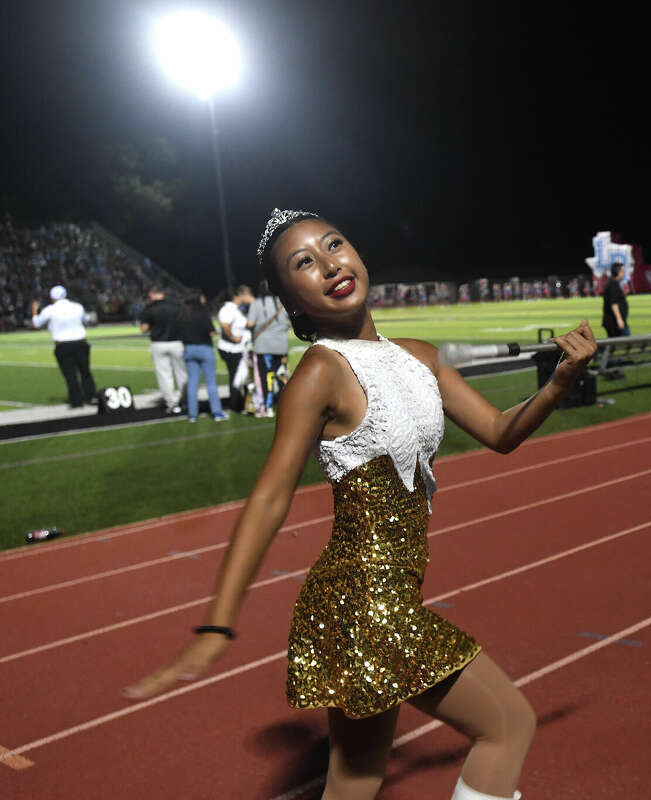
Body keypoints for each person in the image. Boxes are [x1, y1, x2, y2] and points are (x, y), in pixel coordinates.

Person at [125, 209, 597, 800]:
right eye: (304, 263)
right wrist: (217, 624)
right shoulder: (321, 372)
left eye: (334, 245)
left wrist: (558, 383)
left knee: (355, 780)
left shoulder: (419, 357)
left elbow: (500, 432)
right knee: (508, 726)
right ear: (289, 300)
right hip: (364, 604)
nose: (329, 265)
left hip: (375, 601)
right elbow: (271, 498)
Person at [30, 284, 97, 408]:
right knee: (85, 372)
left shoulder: (50, 309)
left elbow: (36, 323)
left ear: (53, 298)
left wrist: (34, 310)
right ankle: (92, 397)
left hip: (63, 346)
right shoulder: (77, 307)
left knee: (70, 375)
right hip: (81, 342)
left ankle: (77, 401)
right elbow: (87, 320)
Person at [177, 291, 227, 423]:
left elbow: (179, 333)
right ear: (198, 299)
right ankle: (217, 413)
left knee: (192, 383)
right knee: (210, 382)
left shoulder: (183, 314)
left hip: (189, 349)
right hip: (205, 349)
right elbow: (211, 332)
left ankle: (193, 415)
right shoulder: (203, 313)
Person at [246, 278, 292, 417]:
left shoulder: (256, 303)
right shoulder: (282, 302)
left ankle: (268, 406)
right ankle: (288, 405)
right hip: (281, 345)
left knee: (267, 377)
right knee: (282, 376)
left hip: (263, 346)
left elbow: (250, 323)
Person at [140, 286, 186, 415]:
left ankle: (172, 404)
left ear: (151, 294)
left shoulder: (149, 308)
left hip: (159, 343)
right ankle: (186, 401)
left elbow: (144, 329)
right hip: (177, 342)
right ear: (163, 293)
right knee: (182, 374)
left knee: (164, 376)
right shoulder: (176, 307)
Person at [217, 285, 255, 414]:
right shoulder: (229, 308)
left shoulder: (236, 309)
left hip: (239, 348)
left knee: (243, 377)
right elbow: (225, 324)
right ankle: (236, 405)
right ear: (241, 294)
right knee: (236, 376)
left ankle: (243, 403)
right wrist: (233, 337)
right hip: (232, 349)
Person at [601, 262, 630, 338]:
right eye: (622, 271)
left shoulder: (613, 283)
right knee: (626, 343)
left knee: (617, 346)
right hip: (614, 322)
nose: (624, 273)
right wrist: (619, 319)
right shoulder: (613, 284)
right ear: (617, 272)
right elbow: (614, 303)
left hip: (614, 321)